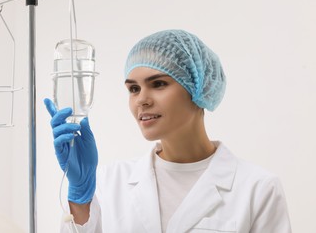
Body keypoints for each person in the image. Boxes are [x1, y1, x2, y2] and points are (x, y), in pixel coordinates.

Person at [44, 29, 292, 233]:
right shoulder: (110, 182)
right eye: (133, 89)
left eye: (159, 84)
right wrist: (80, 197)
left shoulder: (257, 188)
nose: (142, 100)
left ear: (197, 86)